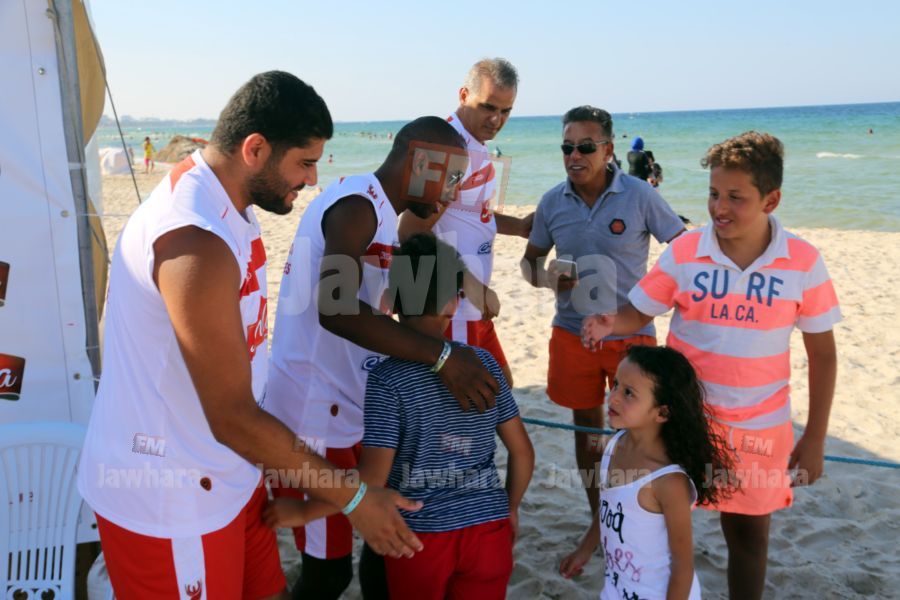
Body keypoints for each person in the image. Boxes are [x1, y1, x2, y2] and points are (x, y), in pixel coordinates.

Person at [77, 71, 424, 599]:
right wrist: (353, 497)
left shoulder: (229, 200)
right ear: (255, 149)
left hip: (229, 473)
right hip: (172, 499)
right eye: (304, 163)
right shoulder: (194, 238)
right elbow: (231, 416)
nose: (312, 179)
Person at [582, 131, 841, 600]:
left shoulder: (803, 261)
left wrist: (816, 436)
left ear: (771, 200)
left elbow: (822, 354)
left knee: (747, 537)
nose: (720, 207)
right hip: (681, 420)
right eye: (714, 193)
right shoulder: (685, 251)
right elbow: (640, 310)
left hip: (758, 429)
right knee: (652, 522)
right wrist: (611, 321)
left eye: (735, 197)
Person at [266, 116, 500, 599]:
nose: (454, 191)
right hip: (315, 416)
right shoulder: (356, 204)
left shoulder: (383, 217)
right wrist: (443, 358)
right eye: (451, 176)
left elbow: (395, 308)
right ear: (419, 160)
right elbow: (336, 307)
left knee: (387, 540)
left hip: (350, 405)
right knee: (328, 572)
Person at [266, 233, 535, 599]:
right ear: (454, 304)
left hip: (419, 538)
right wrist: (510, 507)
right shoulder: (484, 364)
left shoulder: (387, 379)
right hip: (489, 530)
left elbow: (372, 478)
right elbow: (522, 452)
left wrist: (304, 513)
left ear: (391, 301)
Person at [520, 105, 685, 518]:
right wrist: (546, 279)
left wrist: (652, 299)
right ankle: (601, 519)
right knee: (588, 434)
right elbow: (529, 263)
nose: (574, 156)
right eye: (567, 147)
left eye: (586, 147)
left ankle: (643, 518)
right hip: (572, 333)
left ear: (608, 149)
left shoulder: (640, 195)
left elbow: (683, 251)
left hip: (633, 336)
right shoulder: (551, 202)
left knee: (644, 434)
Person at [559, 345, 735, 599]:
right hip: (616, 588)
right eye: (616, 384)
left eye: (628, 393)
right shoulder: (614, 446)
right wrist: (585, 549)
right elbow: (610, 506)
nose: (614, 397)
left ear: (662, 412)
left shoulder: (668, 481)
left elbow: (683, 568)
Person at [399, 58, 533, 388]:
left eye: (506, 111)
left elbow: (472, 213)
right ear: (463, 95)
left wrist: (519, 226)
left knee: (501, 390)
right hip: (453, 307)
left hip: (474, 304)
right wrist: (470, 285)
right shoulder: (449, 150)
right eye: (488, 107)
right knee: (484, 395)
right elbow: (411, 232)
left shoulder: (474, 146)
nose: (496, 119)